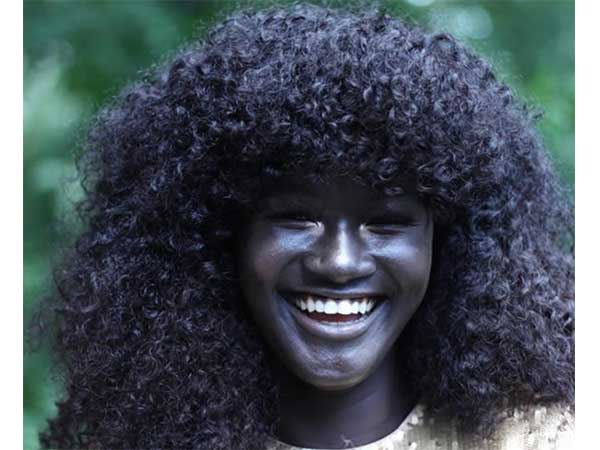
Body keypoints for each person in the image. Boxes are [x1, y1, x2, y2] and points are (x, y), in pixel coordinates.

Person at [34, 4, 574, 449]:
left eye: (387, 224)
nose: (339, 262)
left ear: (448, 242)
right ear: (220, 236)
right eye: (296, 217)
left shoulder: (544, 437)